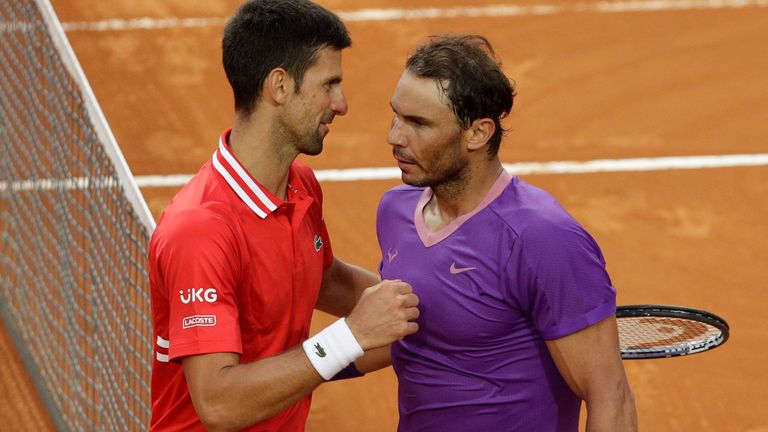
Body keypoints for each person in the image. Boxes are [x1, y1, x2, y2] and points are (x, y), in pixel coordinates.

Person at [147, 1, 419, 430]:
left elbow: (322, 279)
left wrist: (430, 307)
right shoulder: (200, 230)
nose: (341, 104)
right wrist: (349, 337)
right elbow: (218, 404)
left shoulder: (300, 185)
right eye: (329, 84)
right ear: (279, 86)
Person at [376, 35, 638, 431]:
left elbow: (610, 396)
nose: (394, 137)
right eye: (397, 115)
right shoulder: (395, 211)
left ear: (478, 134)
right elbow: (415, 336)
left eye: (418, 123)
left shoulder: (541, 238)